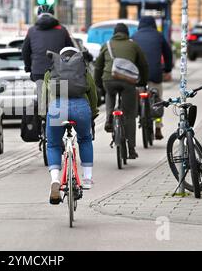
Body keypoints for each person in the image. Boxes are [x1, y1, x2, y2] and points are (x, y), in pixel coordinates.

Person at [42, 47, 99, 204]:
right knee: (85, 139)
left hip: (57, 108)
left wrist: (42, 117)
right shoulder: (83, 71)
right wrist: (93, 113)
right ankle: (87, 178)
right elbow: (93, 94)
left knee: (53, 144)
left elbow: (44, 97)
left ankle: (55, 179)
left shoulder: (50, 72)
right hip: (81, 107)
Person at [94, 23, 148, 159]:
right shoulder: (133, 45)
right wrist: (142, 81)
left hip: (109, 79)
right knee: (129, 114)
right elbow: (143, 64)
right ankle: (131, 149)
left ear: (114, 33)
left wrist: (99, 84)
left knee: (110, 94)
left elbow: (98, 67)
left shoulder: (106, 45)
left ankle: (109, 119)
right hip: (128, 81)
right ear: (127, 34)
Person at [22, 4, 75, 104]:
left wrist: (28, 67)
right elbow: (71, 50)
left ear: (38, 15)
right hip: (59, 71)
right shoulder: (62, 30)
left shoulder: (32, 30)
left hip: (38, 71)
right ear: (53, 14)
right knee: (61, 97)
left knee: (41, 97)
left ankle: (42, 116)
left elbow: (25, 51)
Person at [131, 16, 173, 140]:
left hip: (138, 75)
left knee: (138, 94)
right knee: (158, 99)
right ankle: (158, 126)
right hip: (155, 74)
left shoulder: (134, 37)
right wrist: (167, 69)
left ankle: (139, 110)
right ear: (154, 24)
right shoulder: (159, 36)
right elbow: (168, 53)